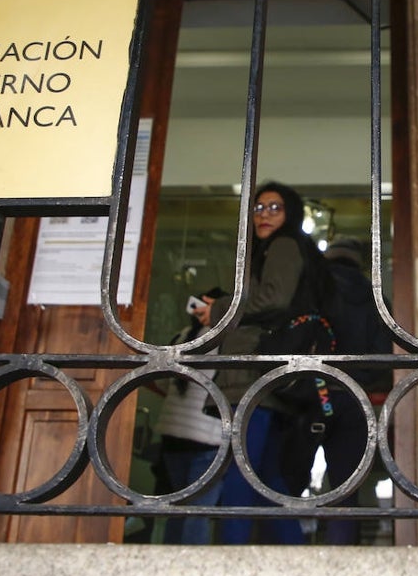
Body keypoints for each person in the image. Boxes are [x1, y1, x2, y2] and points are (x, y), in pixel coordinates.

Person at [194, 181, 332, 544]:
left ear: (291, 214)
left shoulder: (284, 245)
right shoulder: (274, 250)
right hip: (262, 378)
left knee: (241, 472)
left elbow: (274, 298)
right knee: (267, 476)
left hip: (254, 377)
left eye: (274, 208)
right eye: (258, 208)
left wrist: (220, 310)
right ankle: (294, 551)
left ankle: (230, 557)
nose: (264, 215)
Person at [280, 236, 394, 544]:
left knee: (287, 484)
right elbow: (383, 356)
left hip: (309, 396)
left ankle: (286, 552)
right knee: (345, 488)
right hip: (352, 397)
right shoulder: (375, 297)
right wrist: (360, 379)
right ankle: (340, 557)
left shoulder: (312, 287)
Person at [155, 289, 227, 545]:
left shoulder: (182, 338)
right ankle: (191, 569)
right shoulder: (224, 340)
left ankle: (169, 564)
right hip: (206, 436)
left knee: (177, 509)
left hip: (173, 433)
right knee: (198, 512)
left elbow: (162, 382)